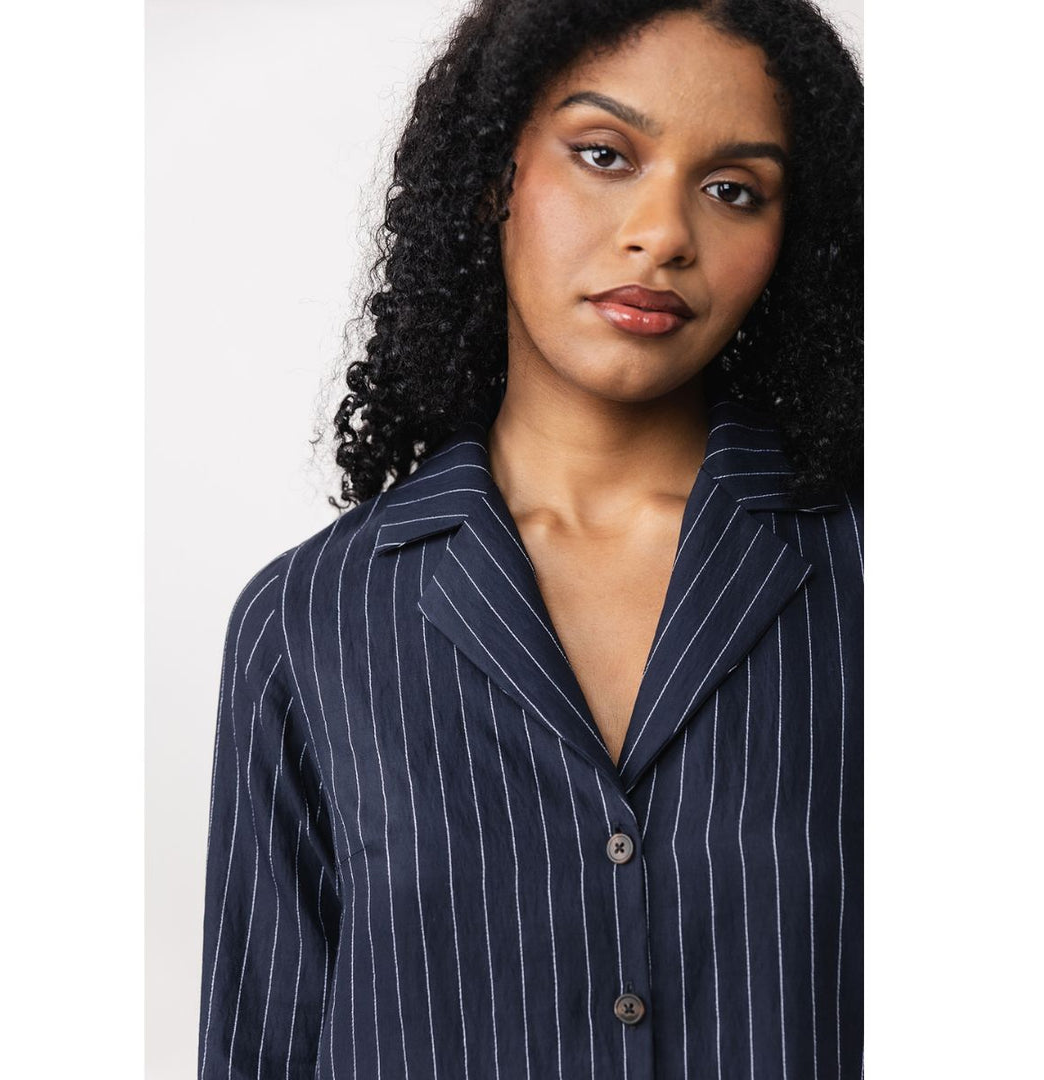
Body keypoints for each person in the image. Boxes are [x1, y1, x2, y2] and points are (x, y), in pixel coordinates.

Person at [196, 0, 863, 1076]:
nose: (664, 233)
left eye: (734, 189)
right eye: (605, 154)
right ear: (491, 177)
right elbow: (262, 1045)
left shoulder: (870, 573)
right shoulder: (311, 618)